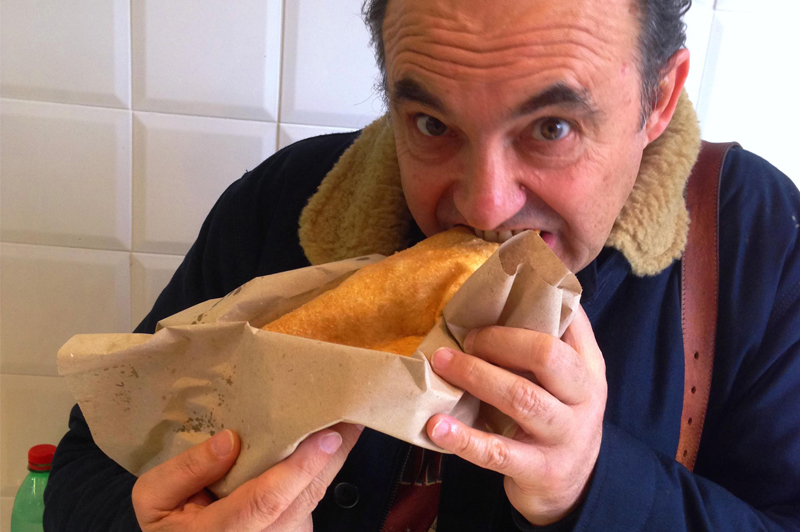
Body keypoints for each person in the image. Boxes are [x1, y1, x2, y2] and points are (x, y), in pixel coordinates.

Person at [44, 0, 800, 530]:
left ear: (659, 97)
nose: (486, 205)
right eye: (432, 124)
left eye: (554, 127)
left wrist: (590, 485)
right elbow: (86, 472)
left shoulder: (756, 241)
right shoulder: (285, 205)